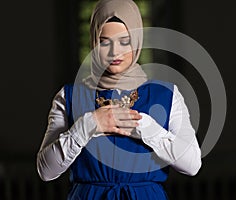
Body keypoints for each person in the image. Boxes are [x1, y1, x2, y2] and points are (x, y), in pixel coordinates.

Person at [36, 0, 201, 199]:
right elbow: (46, 171)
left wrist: (146, 128)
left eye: (125, 41)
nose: (115, 52)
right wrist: (89, 125)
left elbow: (192, 165)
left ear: (138, 40)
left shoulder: (167, 95)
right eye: (104, 41)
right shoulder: (70, 96)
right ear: (93, 42)